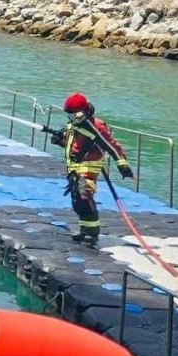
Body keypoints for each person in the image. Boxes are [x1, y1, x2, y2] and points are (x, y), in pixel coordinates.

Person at [46, 93, 132, 248]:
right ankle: (85, 229)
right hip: (75, 168)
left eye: (73, 114)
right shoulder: (75, 125)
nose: (71, 117)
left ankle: (92, 234)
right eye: (69, 115)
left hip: (88, 167)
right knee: (77, 202)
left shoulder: (96, 126)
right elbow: (75, 146)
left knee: (84, 198)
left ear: (83, 112)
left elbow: (112, 145)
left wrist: (122, 165)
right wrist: (60, 140)